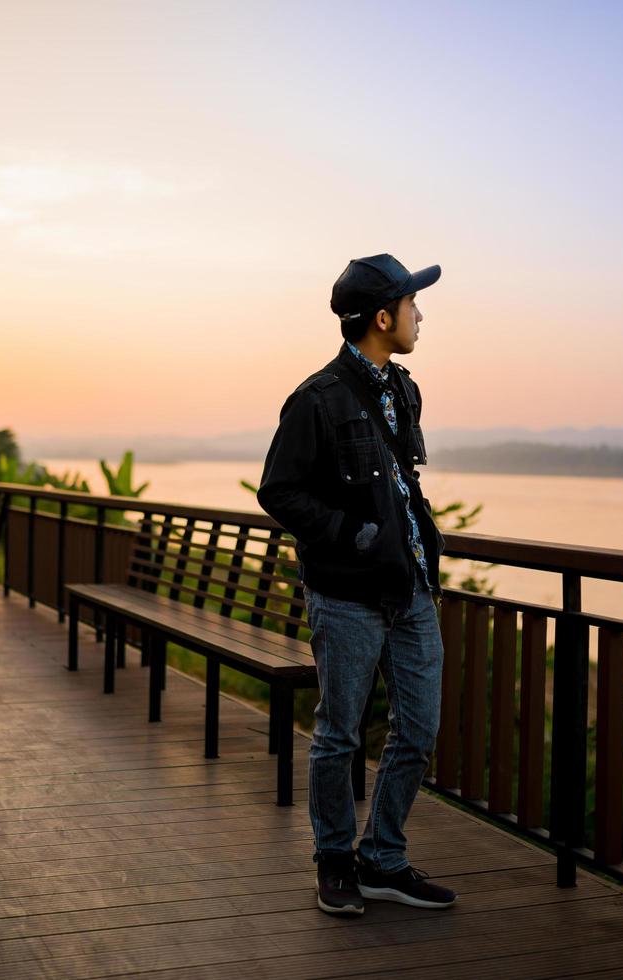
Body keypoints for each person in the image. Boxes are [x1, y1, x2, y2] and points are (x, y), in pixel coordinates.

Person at [257, 254, 456, 917]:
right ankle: (335, 860)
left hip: (410, 591)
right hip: (345, 596)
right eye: (410, 306)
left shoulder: (404, 389)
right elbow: (279, 491)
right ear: (381, 317)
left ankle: (384, 860)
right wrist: (352, 535)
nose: (419, 316)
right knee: (340, 735)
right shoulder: (316, 398)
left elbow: (402, 484)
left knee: (417, 730)